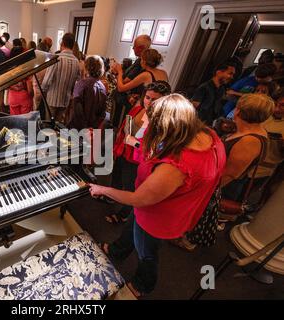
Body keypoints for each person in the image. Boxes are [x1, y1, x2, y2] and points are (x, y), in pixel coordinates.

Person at [89, 94, 226, 297]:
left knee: (147, 253)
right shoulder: (207, 135)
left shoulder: (178, 166)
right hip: (156, 207)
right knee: (132, 225)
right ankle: (118, 250)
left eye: (150, 121)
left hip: (157, 216)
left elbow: (139, 199)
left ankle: (143, 284)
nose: (145, 122)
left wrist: (102, 189)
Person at [106, 81, 172, 227]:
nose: (150, 102)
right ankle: (110, 197)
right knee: (116, 177)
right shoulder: (138, 109)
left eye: (155, 100)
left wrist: (134, 143)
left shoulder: (162, 123)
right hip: (123, 153)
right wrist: (118, 147)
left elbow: (155, 150)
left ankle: (124, 215)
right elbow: (124, 129)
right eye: (148, 97)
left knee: (132, 189)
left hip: (137, 162)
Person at [221, 94, 274, 204]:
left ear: (238, 111)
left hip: (222, 190)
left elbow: (229, 174)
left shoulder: (250, 141)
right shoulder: (250, 130)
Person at [112, 35, 151, 128]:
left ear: (141, 48)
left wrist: (119, 71)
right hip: (126, 100)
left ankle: (111, 141)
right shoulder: (139, 61)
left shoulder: (140, 63)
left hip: (125, 100)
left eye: (134, 46)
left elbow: (124, 83)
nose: (133, 48)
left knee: (117, 125)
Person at [41, 33, 80, 121]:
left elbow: (46, 81)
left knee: (49, 125)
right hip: (65, 100)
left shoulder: (56, 58)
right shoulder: (76, 62)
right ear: (73, 45)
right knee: (58, 125)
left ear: (62, 43)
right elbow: (77, 82)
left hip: (52, 99)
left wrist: (43, 91)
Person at [66, 55, 107, 130]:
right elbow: (103, 113)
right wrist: (94, 127)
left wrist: (85, 128)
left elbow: (77, 110)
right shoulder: (103, 87)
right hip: (93, 129)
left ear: (87, 67)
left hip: (78, 128)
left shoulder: (81, 84)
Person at [191, 61, 236, 125]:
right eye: (230, 73)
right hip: (198, 124)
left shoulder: (221, 89)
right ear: (219, 72)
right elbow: (193, 108)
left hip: (210, 124)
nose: (232, 77)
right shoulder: (204, 88)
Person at [7, 47, 33, 115]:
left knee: (14, 121)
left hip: (12, 96)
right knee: (26, 121)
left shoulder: (8, 68)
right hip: (24, 96)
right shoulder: (26, 67)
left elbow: (6, 85)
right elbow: (30, 90)